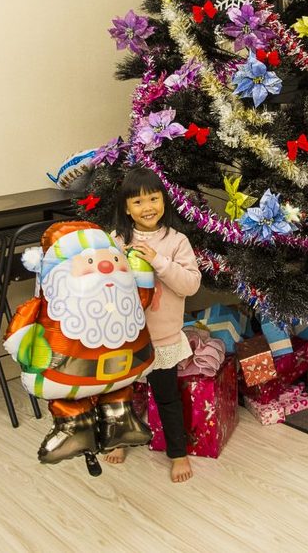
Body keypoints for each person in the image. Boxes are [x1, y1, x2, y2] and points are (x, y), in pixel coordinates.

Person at [104, 166, 202, 482]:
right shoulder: (117, 241)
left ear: (164, 201)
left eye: (153, 198)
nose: (147, 207)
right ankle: (121, 438)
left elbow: (190, 284)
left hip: (161, 338)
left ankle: (178, 454)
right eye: (138, 202)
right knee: (120, 394)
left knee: (166, 398)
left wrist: (157, 260)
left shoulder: (177, 241)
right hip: (125, 337)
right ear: (125, 208)